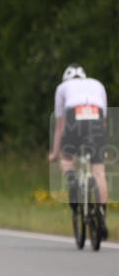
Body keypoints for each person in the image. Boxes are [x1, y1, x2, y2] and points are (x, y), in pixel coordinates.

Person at [49, 63, 109, 239]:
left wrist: (55, 153)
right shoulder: (98, 84)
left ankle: (72, 180)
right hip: (96, 117)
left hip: (74, 116)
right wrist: (102, 148)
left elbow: (60, 126)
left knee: (66, 159)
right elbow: (104, 122)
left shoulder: (62, 87)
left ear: (66, 78)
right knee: (99, 172)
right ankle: (102, 217)